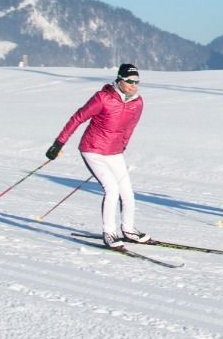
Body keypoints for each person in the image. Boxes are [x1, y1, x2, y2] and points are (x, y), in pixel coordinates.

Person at [46, 62, 149, 248]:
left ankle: (129, 230)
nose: (134, 85)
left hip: (114, 152)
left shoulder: (138, 103)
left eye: (137, 81)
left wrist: (123, 145)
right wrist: (58, 143)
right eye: (130, 81)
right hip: (92, 149)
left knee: (127, 192)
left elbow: (130, 127)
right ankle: (109, 233)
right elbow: (78, 118)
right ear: (120, 80)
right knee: (112, 189)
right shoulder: (103, 98)